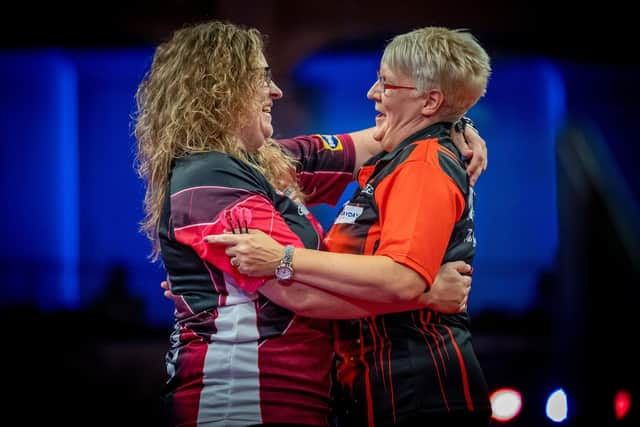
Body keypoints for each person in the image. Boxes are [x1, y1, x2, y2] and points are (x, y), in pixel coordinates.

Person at [135, 21, 487, 427]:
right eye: (261, 77)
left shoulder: (265, 163)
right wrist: (420, 292)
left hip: (300, 398)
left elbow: (385, 135)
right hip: (242, 398)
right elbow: (298, 291)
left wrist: (456, 122)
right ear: (220, 88)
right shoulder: (209, 177)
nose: (276, 90)